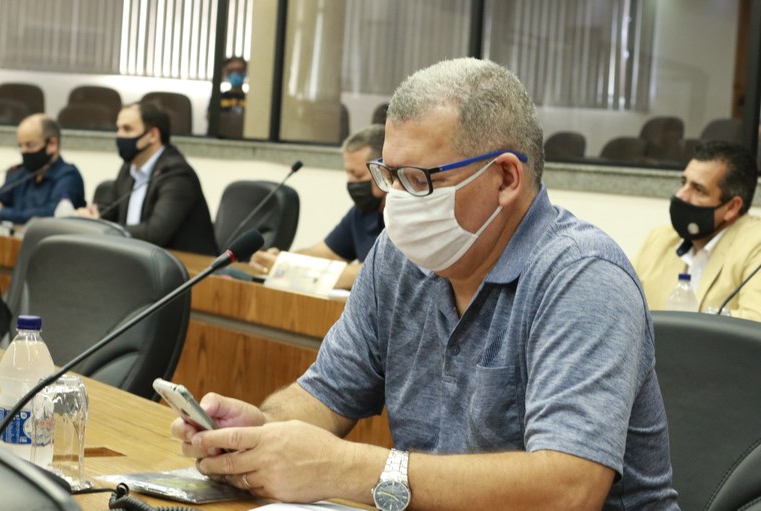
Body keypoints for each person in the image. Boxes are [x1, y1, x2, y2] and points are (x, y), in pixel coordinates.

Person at [172, 58, 677, 509]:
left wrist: (347, 468)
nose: (395, 201)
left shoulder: (583, 275)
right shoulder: (397, 258)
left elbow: (568, 489)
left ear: (505, 178)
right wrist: (260, 432)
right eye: (389, 175)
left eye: (418, 180)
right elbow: (325, 394)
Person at [633, 141, 761, 319]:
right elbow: (619, 303)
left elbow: (755, 322)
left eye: (698, 190)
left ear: (732, 207)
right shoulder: (659, 239)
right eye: (683, 183)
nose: (681, 196)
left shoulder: (756, 246)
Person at [248, 124, 386, 289]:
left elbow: (380, 273)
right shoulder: (361, 212)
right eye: (348, 173)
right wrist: (284, 260)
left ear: (383, 171)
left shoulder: (404, 217)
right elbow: (324, 253)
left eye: (357, 175)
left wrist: (294, 270)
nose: (349, 181)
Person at [77, 102, 218, 256]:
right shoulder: (129, 167)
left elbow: (155, 233)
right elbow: (110, 211)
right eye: (118, 128)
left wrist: (103, 227)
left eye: (127, 129)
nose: (119, 135)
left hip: (188, 265)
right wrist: (92, 218)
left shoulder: (177, 174)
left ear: (152, 135)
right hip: (139, 257)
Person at [0, 114, 85, 224]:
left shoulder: (69, 176)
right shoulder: (22, 173)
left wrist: (1, 213)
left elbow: (53, 214)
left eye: (30, 145)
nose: (23, 151)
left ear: (52, 144)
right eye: (20, 146)